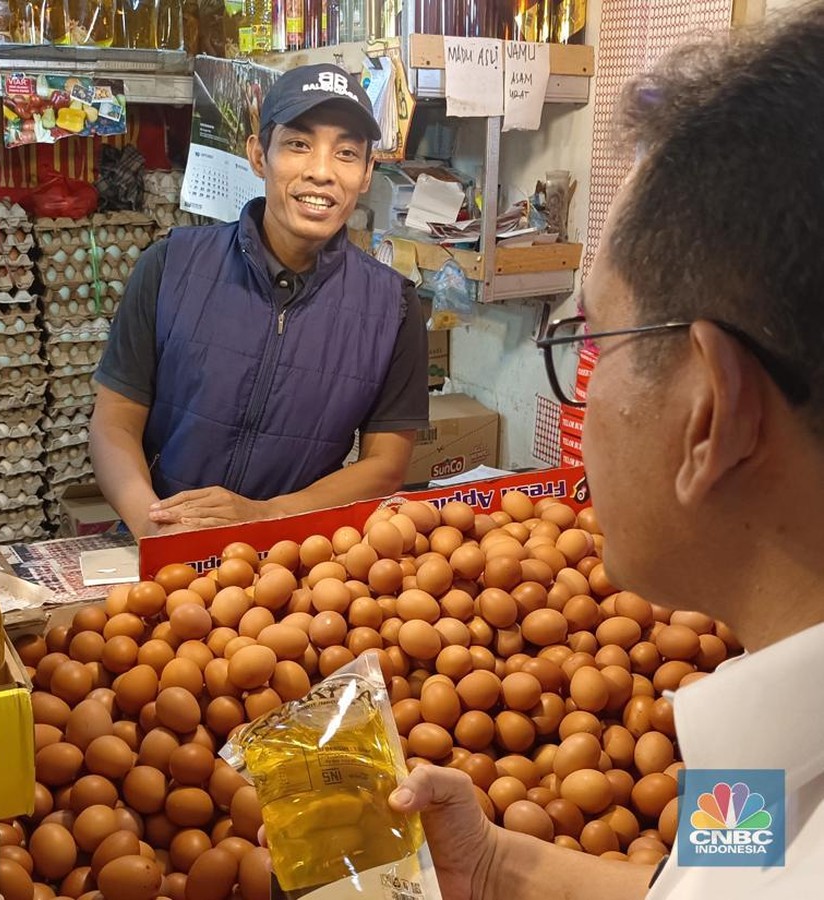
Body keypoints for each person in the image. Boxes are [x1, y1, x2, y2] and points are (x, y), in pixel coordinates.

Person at [388, 6, 824, 899]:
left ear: (711, 413)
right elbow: (707, 886)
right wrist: (501, 861)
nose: (584, 395)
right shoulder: (771, 724)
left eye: (597, 340)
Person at [91, 64, 430, 536]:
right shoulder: (171, 267)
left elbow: (386, 464)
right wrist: (154, 525)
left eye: (347, 153)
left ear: (369, 172)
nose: (321, 172)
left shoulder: (392, 308)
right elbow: (113, 425)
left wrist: (265, 516)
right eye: (298, 144)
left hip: (294, 558)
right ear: (258, 155)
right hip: (160, 539)